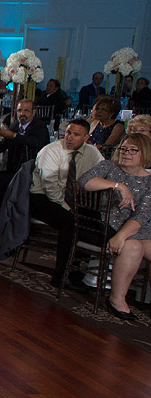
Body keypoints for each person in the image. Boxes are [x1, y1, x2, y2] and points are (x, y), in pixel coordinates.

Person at [79, 134, 151, 321]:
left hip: (138, 226)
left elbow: (142, 215)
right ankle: (117, 299)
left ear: (144, 153)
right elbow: (84, 181)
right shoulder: (109, 167)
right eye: (123, 149)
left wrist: (121, 236)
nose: (126, 153)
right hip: (108, 223)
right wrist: (118, 185)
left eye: (133, 150)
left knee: (136, 242)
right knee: (133, 246)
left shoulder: (150, 180)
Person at [27, 119, 104, 291]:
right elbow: (50, 187)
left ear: (86, 137)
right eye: (68, 132)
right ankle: (60, 275)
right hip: (43, 198)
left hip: (73, 199)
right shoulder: (51, 151)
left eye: (76, 135)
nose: (69, 137)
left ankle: (80, 272)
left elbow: (104, 171)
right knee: (70, 221)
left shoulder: (91, 152)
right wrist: (69, 209)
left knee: (92, 218)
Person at [0, 98, 51, 219]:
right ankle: (0, 216)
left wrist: (14, 136)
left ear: (33, 112)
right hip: (14, 170)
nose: (22, 114)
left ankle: (1, 217)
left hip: (30, 173)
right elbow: (4, 144)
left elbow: (36, 142)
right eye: (19, 111)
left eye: (26, 111)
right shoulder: (15, 125)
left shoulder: (39, 127)